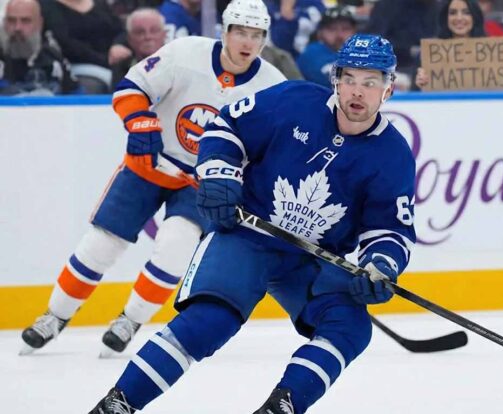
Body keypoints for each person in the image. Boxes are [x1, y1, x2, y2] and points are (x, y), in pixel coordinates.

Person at [89, 33, 416, 414]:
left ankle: (281, 407)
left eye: (371, 82)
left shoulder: (393, 155)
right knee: (211, 320)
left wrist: (380, 266)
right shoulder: (294, 101)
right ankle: (119, 402)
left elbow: (389, 230)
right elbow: (225, 127)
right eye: (350, 79)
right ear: (336, 80)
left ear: (388, 88)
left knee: (350, 327)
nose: (358, 92)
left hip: (308, 260)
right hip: (248, 234)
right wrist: (219, 175)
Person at [20, 0, 286, 356]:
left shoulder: (273, 86)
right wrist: (140, 121)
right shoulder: (185, 52)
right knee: (102, 244)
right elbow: (131, 88)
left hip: (202, 183)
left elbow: (275, 148)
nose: (247, 42)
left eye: (256, 35)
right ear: (225, 31)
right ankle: (55, 315)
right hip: (149, 164)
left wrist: (245, 180)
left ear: (265, 39)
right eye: (240, 31)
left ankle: (130, 320)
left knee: (175, 250)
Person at [414, 0, 503, 90]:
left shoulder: (494, 52)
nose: (459, 18)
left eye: (466, 12)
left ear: (475, 16)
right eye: (452, 13)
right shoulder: (429, 54)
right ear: (445, 18)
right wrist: (420, 86)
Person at [0, 0, 79, 95]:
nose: (17, 28)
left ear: (39, 23)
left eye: (25, 21)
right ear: (4, 23)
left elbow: (77, 99)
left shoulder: (52, 57)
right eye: (11, 20)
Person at [296, 5, 357, 87]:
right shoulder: (312, 53)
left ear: (354, 31)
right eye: (332, 29)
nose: (339, 35)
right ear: (320, 33)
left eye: (346, 29)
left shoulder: (363, 51)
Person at [110, 8, 167, 89]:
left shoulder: (178, 65)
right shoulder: (121, 68)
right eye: (140, 32)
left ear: (164, 35)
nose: (148, 37)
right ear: (130, 39)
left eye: (154, 30)